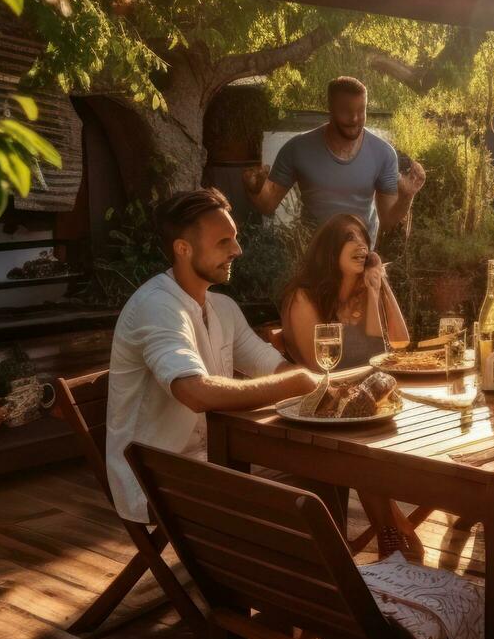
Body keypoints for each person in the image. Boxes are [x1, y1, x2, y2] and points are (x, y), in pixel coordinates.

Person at [103, 188, 326, 526]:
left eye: (234, 239)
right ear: (183, 249)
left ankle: (378, 558)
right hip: (154, 477)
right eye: (224, 242)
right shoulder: (157, 307)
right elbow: (195, 392)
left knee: (322, 471)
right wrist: (293, 383)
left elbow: (270, 364)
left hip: (215, 459)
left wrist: (312, 384)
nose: (237, 250)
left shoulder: (222, 307)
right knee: (300, 501)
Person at [279, 213, 416, 560]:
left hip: (366, 405)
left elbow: (396, 344)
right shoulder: (303, 296)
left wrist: (377, 287)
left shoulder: (362, 289)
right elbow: (316, 367)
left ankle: (391, 537)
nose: (362, 244)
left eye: (364, 238)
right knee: (365, 448)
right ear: (330, 249)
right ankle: (390, 536)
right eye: (350, 238)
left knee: (388, 432)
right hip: (321, 410)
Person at [242, 76, 425, 248]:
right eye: (346, 112)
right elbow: (267, 205)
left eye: (361, 111)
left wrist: (407, 196)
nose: (354, 119)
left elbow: (387, 221)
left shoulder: (383, 153)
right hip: (313, 260)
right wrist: (255, 189)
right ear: (330, 108)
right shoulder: (297, 149)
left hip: (360, 259)